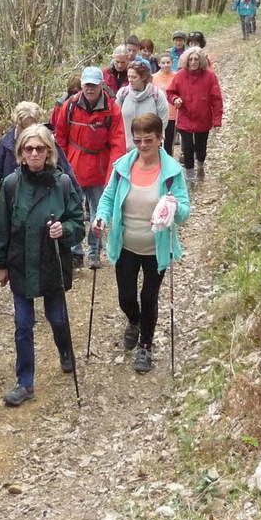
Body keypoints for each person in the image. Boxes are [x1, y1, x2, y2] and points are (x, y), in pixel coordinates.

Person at [0, 125, 85, 407]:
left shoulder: (62, 183)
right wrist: (1, 263)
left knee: (56, 317)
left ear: (49, 152)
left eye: (40, 148)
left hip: (51, 262)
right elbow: (1, 227)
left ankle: (65, 351)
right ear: (20, 152)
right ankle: (25, 382)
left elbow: (78, 224)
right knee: (22, 324)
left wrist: (64, 230)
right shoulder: (10, 185)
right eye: (29, 148)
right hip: (21, 263)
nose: (34, 153)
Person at [94, 114, 190, 373]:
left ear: (160, 138)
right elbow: (107, 198)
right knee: (126, 297)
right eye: (138, 140)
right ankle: (133, 321)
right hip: (125, 244)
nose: (143, 145)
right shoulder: (122, 167)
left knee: (149, 296)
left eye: (148, 140)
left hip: (156, 248)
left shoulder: (171, 172)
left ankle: (145, 346)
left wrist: (174, 206)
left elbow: (184, 212)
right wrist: (101, 217)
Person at [53, 67, 126, 270]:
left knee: (98, 213)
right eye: (87, 84)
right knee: (73, 212)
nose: (90, 88)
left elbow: (118, 142)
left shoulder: (112, 109)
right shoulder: (70, 105)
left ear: (101, 85)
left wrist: (114, 171)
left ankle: (94, 252)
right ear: (82, 84)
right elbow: (60, 136)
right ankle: (76, 252)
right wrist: (62, 164)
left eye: (94, 85)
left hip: (100, 166)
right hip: (74, 166)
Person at [0, 101, 79, 199]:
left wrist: (76, 197)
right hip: (13, 199)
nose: (27, 132)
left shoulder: (48, 142)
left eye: (31, 127)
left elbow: (66, 171)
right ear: (17, 123)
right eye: (24, 127)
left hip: (43, 198)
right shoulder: (7, 141)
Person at [166, 46, 223, 183]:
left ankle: (201, 165)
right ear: (186, 61)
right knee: (187, 148)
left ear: (201, 60)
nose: (193, 62)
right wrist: (175, 99)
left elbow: (217, 99)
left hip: (203, 118)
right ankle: (190, 174)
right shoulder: (180, 75)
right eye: (190, 59)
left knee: (200, 147)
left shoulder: (210, 76)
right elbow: (170, 92)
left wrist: (217, 120)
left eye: (196, 59)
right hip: (185, 118)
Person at [116, 61, 169, 150]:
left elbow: (163, 120)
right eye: (128, 76)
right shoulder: (123, 93)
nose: (130, 79)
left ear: (143, 77)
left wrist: (156, 139)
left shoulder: (157, 95)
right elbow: (115, 118)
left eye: (134, 77)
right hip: (126, 147)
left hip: (150, 148)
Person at [151, 52, 178, 156]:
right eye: (163, 62)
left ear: (172, 63)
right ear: (159, 64)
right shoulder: (153, 78)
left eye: (168, 62)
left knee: (169, 143)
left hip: (172, 115)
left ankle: (168, 166)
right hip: (157, 115)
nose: (166, 65)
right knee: (157, 141)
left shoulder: (177, 76)